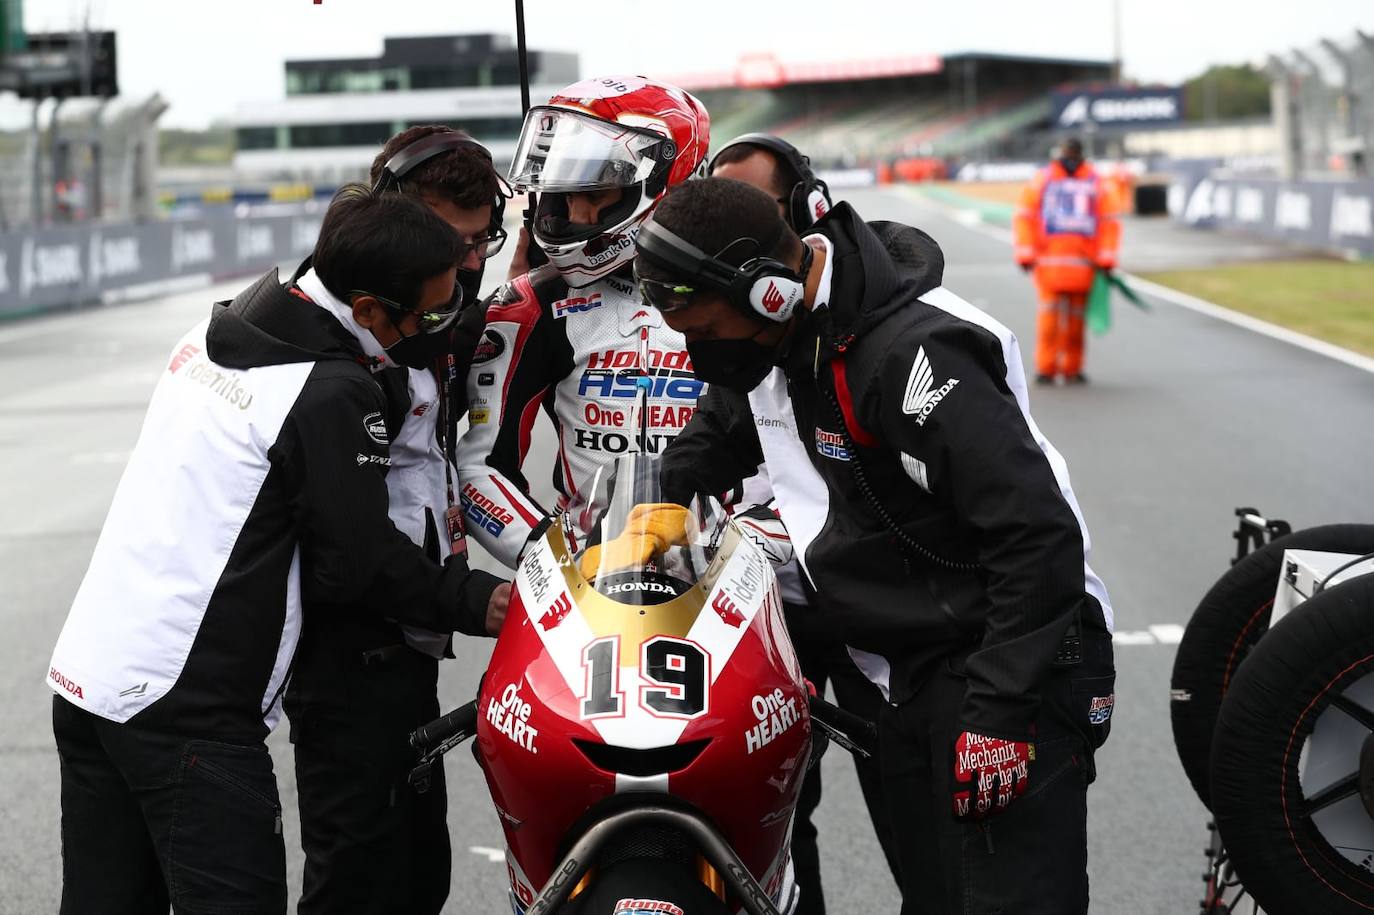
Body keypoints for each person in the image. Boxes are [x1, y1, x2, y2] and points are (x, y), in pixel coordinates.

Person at [644, 177, 1116, 915]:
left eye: (703, 331)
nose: (697, 352)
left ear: (769, 292)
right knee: (932, 900)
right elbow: (718, 428)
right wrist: (662, 499)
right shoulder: (771, 333)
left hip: (1008, 653)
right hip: (897, 661)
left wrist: (998, 710)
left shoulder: (914, 352)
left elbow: (1038, 534)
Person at [47, 189, 507, 914]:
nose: (437, 327)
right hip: (187, 710)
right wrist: (484, 602)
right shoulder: (328, 391)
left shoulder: (225, 326)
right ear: (365, 310)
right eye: (428, 314)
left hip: (89, 677)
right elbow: (357, 563)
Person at [282, 125, 512, 915]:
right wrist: (473, 597)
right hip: (347, 640)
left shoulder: (438, 302)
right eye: (455, 242)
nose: (471, 263)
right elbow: (349, 551)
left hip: (405, 635)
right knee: (360, 883)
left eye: (483, 241)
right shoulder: (325, 349)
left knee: (418, 877)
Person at [673, 132, 899, 914]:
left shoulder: (891, 319)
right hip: (780, 595)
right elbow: (706, 441)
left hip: (895, 622)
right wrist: (651, 514)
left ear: (803, 211)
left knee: (922, 829)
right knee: (766, 814)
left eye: (756, 213)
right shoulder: (743, 328)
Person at [453, 75, 711, 567]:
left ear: (663, 184)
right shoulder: (531, 304)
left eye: (596, 192)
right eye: (565, 193)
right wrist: (553, 562)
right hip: (589, 575)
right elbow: (481, 467)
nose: (574, 211)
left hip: (728, 570)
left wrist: (755, 546)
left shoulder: (743, 299)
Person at [1013, 137, 1120, 384]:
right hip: (1051, 264)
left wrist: (1106, 256)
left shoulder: (1094, 182)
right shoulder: (1046, 180)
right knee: (1050, 320)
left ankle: (1070, 368)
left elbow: (1109, 221)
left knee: (1074, 322)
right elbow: (1025, 217)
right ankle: (1047, 367)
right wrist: (1026, 252)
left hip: (1082, 265)